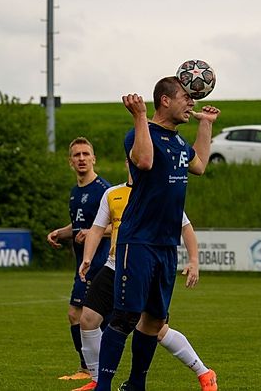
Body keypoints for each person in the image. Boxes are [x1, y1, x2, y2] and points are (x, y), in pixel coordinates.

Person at [94, 76, 219, 391]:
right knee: (125, 317)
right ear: (165, 100)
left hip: (165, 245)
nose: (191, 102)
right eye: (185, 97)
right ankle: (102, 386)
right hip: (138, 242)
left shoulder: (178, 142)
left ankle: (136, 384)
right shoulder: (138, 134)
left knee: (153, 321)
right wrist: (139, 116)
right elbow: (145, 161)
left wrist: (205, 125)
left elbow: (200, 165)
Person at [74, 162, 217, 391]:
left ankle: (204, 372)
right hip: (114, 265)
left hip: (142, 267)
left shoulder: (159, 192)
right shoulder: (112, 194)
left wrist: (194, 261)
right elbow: (97, 229)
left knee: (154, 328)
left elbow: (185, 227)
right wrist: (88, 258)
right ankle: (97, 379)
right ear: (128, 162)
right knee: (88, 318)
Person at [46, 137, 112, 381]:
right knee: (83, 316)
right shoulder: (76, 192)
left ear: (94, 159)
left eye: (86, 154)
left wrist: (94, 232)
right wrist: (60, 233)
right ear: (70, 162)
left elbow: (118, 225)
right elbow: (79, 225)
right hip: (82, 266)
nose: (82, 158)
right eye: (77, 155)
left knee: (82, 315)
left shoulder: (104, 190)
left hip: (100, 263)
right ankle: (93, 369)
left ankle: (90, 369)